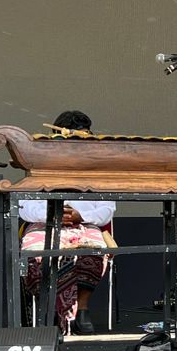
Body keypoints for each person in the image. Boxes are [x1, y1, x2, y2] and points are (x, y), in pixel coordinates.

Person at [18, 109, 113, 335]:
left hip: (85, 225)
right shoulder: (40, 165)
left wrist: (81, 216)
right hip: (44, 224)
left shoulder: (98, 169)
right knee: (36, 255)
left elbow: (107, 211)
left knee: (94, 252)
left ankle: (82, 310)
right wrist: (53, 215)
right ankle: (50, 310)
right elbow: (23, 206)